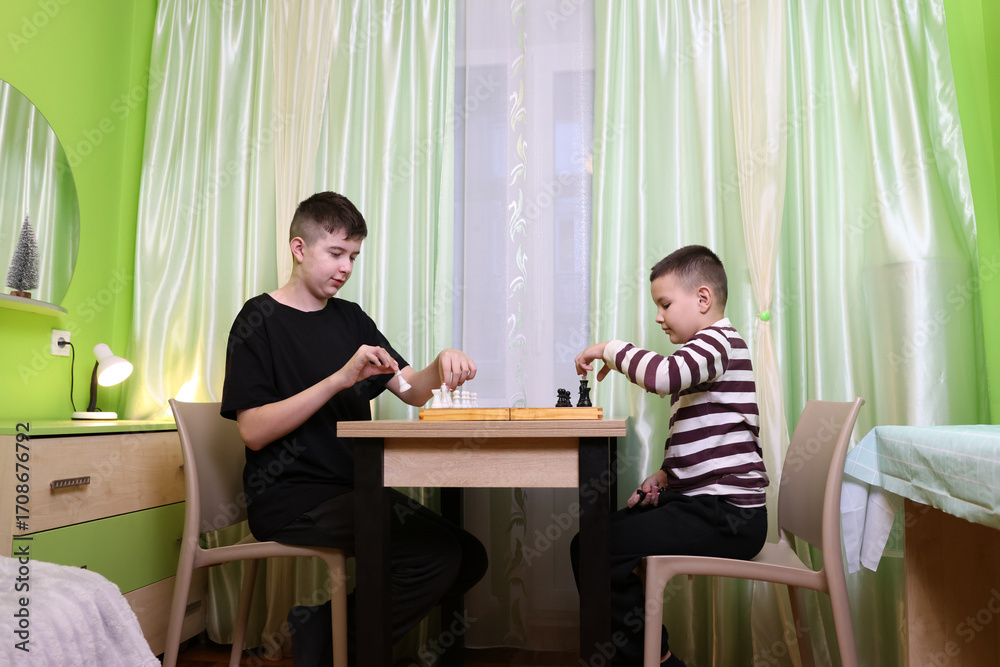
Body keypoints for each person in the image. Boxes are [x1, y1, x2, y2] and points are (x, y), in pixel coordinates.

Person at [221, 191, 488, 666]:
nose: (345, 267)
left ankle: (319, 631)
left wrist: (439, 364)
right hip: (291, 497)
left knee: (467, 556)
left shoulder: (351, 318)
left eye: (354, 257)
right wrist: (339, 379)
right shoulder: (257, 319)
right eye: (336, 253)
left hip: (355, 489)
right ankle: (335, 648)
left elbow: (408, 388)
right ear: (300, 249)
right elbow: (253, 431)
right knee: (437, 557)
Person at [572, 245, 769, 667]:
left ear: (702, 299)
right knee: (590, 541)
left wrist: (610, 348)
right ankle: (648, 654)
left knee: (592, 547)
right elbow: (706, 444)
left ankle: (655, 659)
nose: (658, 317)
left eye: (664, 304)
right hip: (707, 505)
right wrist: (664, 476)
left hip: (729, 516)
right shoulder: (708, 351)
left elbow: (663, 377)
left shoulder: (717, 342)